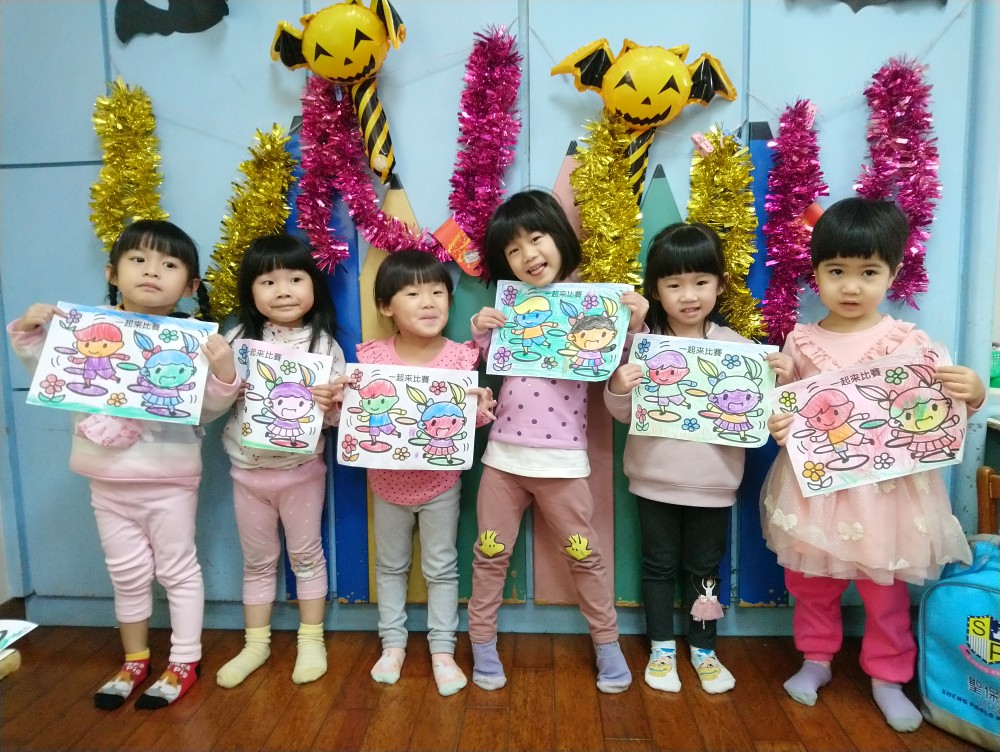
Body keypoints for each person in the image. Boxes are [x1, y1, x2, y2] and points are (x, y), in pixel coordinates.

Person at [762, 197, 983, 732]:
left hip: (889, 494)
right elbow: (787, 409)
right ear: (816, 272)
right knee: (811, 582)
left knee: (885, 592)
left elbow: (938, 411)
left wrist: (973, 392)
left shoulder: (909, 341)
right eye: (836, 271)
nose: (851, 286)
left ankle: (888, 676)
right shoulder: (800, 341)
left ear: (893, 272)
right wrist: (778, 418)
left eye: (868, 272)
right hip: (817, 491)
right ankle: (816, 658)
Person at [7, 219, 240, 710]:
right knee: (127, 574)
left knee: (178, 570)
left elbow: (205, 410)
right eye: (138, 260)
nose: (152, 271)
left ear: (190, 286)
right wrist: (30, 331)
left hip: (170, 481)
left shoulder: (194, 340)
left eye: (169, 264)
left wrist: (223, 373)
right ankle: (135, 660)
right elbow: (52, 374)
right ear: (113, 273)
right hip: (107, 481)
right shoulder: (86, 331)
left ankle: (185, 661)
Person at [468, 189, 648, 693]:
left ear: (560, 237)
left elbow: (622, 367)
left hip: (564, 464)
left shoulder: (594, 304)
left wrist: (633, 325)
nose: (528, 254)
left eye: (536, 238)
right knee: (489, 556)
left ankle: (608, 645)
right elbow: (480, 361)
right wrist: (480, 328)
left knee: (585, 557)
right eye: (513, 250)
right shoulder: (510, 310)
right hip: (503, 459)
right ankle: (481, 643)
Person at [604, 222, 747, 695]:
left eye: (701, 281)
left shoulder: (738, 350)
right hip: (654, 480)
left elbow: (757, 418)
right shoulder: (642, 347)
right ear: (656, 290)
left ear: (720, 285)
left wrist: (778, 380)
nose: (689, 295)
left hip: (714, 486)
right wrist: (618, 385)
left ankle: (704, 649)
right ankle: (662, 646)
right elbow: (622, 413)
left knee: (704, 571)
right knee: (659, 567)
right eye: (674, 284)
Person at [357, 249, 495, 697]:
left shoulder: (461, 358)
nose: (429, 302)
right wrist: (342, 404)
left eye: (438, 291)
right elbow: (358, 420)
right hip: (386, 483)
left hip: (440, 485)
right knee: (390, 566)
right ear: (386, 306)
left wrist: (480, 410)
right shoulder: (372, 357)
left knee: (441, 567)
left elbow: (464, 424)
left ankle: (442, 649)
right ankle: (392, 644)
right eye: (413, 293)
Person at [217, 234, 347, 688]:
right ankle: (256, 644)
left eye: (295, 279)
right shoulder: (236, 340)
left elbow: (337, 418)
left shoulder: (324, 345)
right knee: (257, 562)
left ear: (313, 285)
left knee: (306, 556)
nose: (283, 291)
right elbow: (212, 402)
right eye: (268, 281)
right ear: (251, 291)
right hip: (247, 473)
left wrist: (331, 405)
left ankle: (311, 640)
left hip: (301, 473)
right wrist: (225, 382)